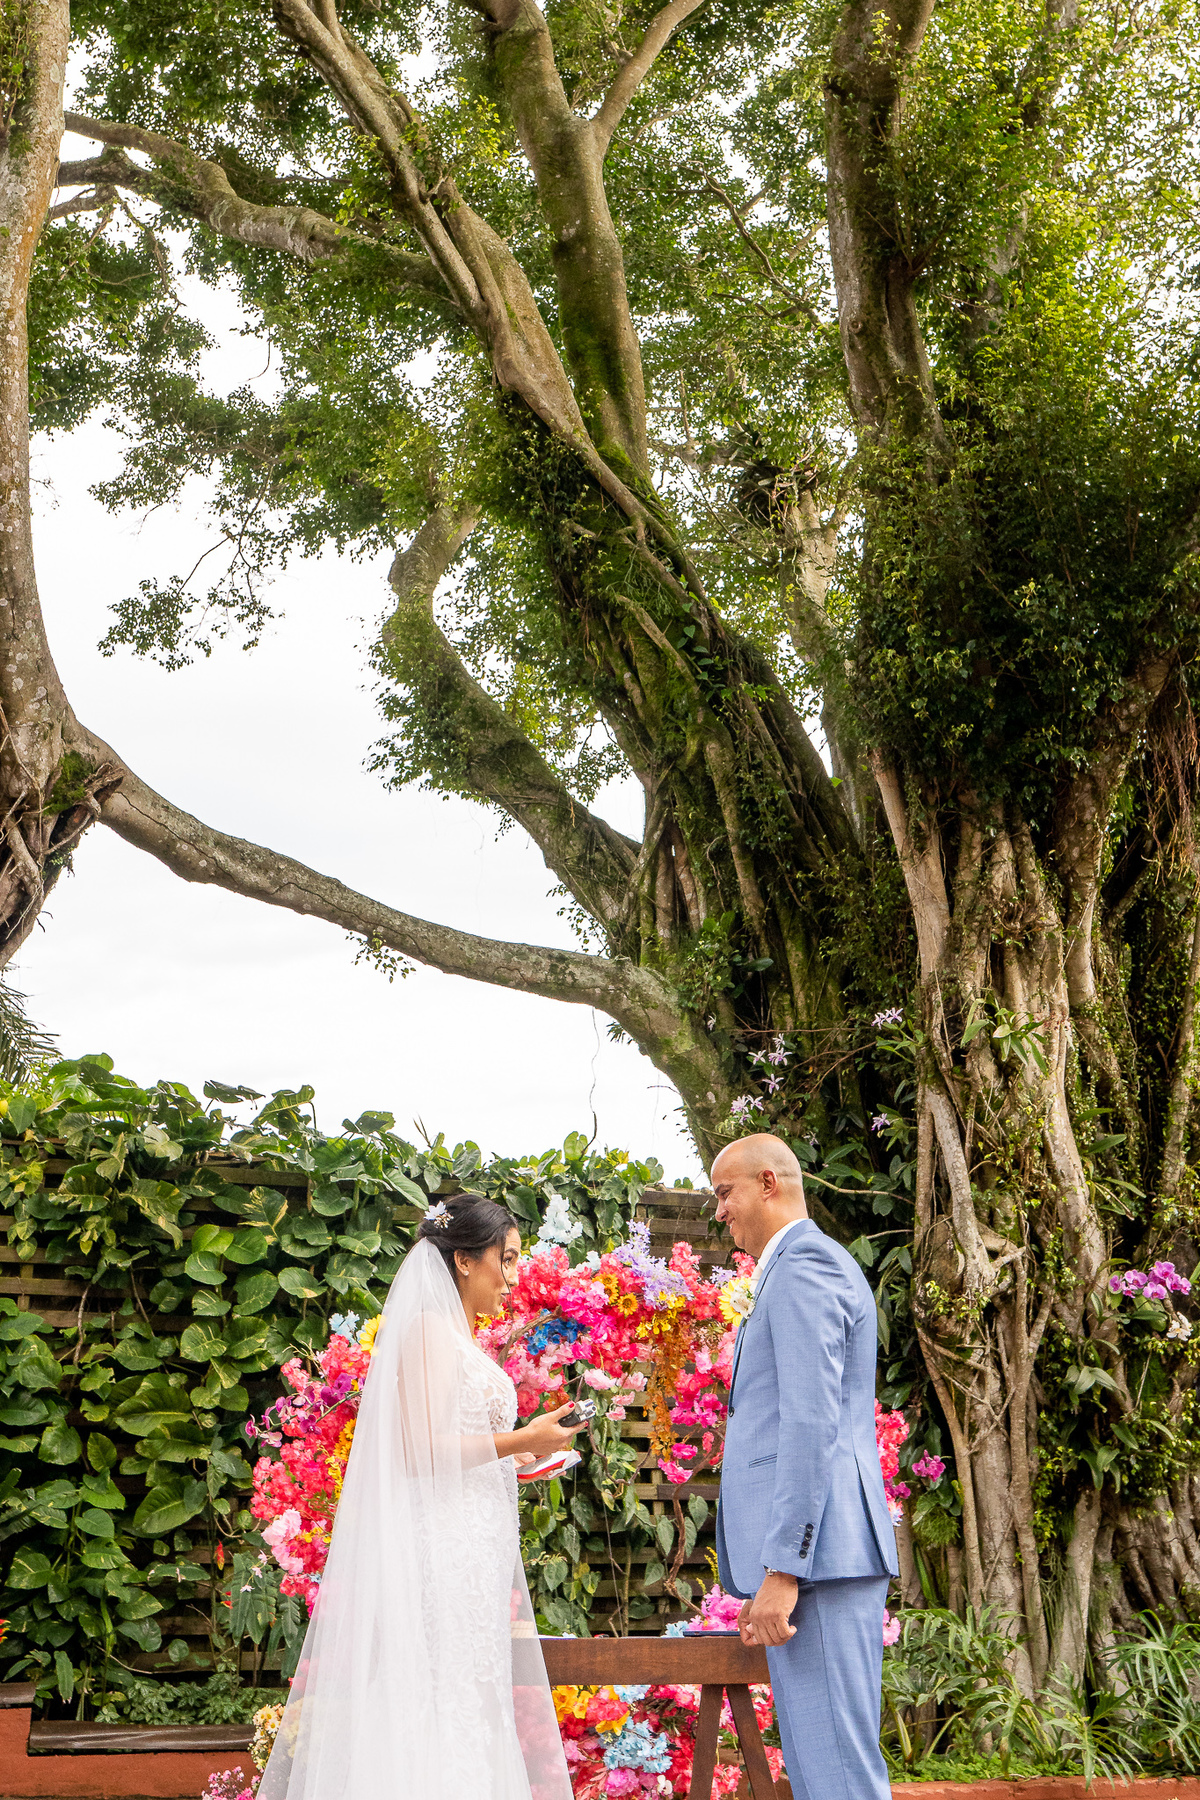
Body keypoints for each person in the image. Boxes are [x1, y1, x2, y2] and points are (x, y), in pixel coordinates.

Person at [258, 1194, 579, 1800]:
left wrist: (526, 1452)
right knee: (439, 1694)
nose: (513, 1278)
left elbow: (457, 1444)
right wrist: (520, 1437)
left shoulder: (457, 1336)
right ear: (465, 1261)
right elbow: (418, 1449)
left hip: (472, 1552)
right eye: (505, 1260)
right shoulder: (431, 1330)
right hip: (444, 1553)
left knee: (465, 1694)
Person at [712, 1133, 899, 1800]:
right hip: (823, 1561)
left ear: (768, 1184)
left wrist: (784, 1568)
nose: (719, 1210)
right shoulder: (799, 1266)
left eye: (724, 1192)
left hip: (817, 1565)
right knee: (828, 1770)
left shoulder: (805, 1266)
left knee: (837, 1776)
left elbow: (812, 1424)